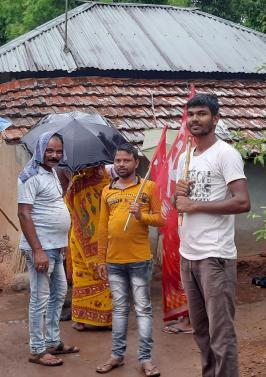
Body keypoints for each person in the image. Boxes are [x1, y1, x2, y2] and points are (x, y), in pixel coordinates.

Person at [174, 93, 251, 377]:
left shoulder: (226, 154)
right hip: (188, 256)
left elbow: (242, 202)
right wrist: (177, 197)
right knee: (201, 332)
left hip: (215, 257)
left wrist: (194, 205)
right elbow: (179, 205)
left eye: (202, 113)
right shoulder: (185, 158)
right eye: (191, 114)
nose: (195, 119)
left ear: (215, 119)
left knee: (221, 334)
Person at [95, 143, 164, 376]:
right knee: (120, 309)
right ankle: (116, 355)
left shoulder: (149, 187)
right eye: (117, 161)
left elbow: (161, 219)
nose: (121, 164)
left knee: (143, 309)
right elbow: (102, 227)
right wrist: (100, 259)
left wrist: (140, 215)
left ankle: (146, 359)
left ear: (136, 162)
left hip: (140, 260)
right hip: (113, 261)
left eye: (126, 160)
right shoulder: (108, 191)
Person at [17, 132, 80, 367]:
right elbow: (24, 213)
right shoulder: (29, 176)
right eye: (50, 150)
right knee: (40, 298)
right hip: (41, 248)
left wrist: (62, 244)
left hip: (56, 247)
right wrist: (37, 250)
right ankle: (37, 348)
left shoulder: (51, 172)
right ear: (40, 149)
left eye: (58, 151)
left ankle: (53, 341)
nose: (54, 155)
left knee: (59, 293)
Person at [65, 165, 114, 331]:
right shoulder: (108, 183)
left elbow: (68, 204)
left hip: (86, 238)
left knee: (86, 277)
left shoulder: (78, 183)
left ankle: (82, 320)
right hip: (90, 239)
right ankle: (103, 319)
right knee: (94, 276)